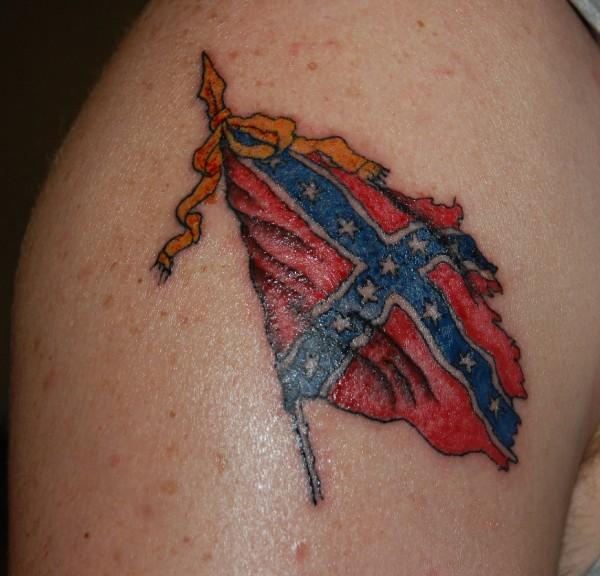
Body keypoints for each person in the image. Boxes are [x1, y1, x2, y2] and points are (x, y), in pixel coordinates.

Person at [10, 1, 600, 574]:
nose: (210, 95)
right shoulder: (319, 45)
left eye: (212, 92)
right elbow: (195, 203)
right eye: (209, 95)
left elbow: (306, 151)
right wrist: (172, 246)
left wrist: (349, 166)